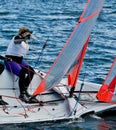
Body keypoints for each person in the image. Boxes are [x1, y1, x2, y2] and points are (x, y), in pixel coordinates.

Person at [5, 27, 38, 103]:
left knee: (31, 71)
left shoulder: (25, 42)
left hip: (19, 60)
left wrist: (26, 39)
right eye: (27, 33)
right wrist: (24, 38)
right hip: (10, 60)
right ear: (23, 33)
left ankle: (25, 90)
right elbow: (17, 41)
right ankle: (21, 94)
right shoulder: (17, 37)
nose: (29, 35)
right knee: (22, 74)